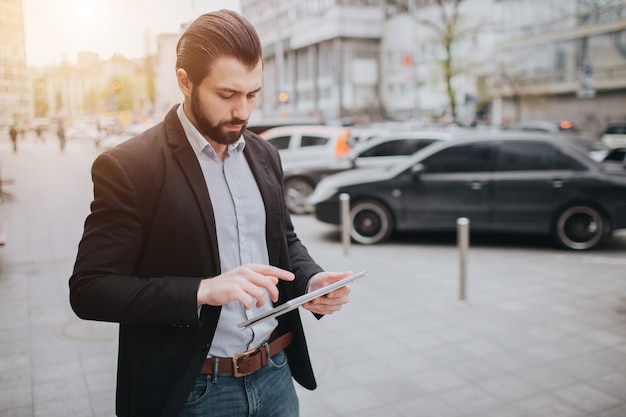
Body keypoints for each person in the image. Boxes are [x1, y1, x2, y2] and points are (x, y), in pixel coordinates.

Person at [69, 10, 352, 417]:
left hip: (274, 373)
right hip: (193, 390)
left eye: (253, 94)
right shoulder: (129, 167)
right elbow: (90, 290)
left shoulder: (264, 154)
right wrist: (201, 290)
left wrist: (311, 280)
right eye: (227, 94)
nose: (243, 111)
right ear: (185, 81)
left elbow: (284, 240)